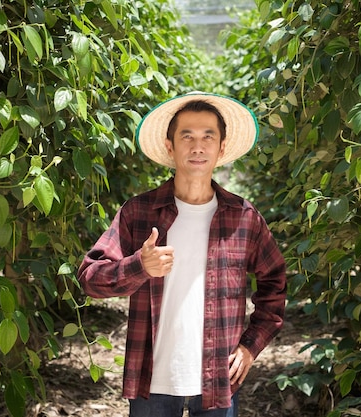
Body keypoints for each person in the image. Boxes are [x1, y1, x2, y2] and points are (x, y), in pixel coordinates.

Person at [77, 92, 286, 417]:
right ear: (171, 146)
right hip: (153, 385)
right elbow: (89, 278)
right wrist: (139, 266)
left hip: (218, 383)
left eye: (208, 137)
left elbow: (274, 285)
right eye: (186, 136)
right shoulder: (139, 212)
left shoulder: (244, 217)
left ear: (221, 147)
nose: (198, 146)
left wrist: (249, 347)